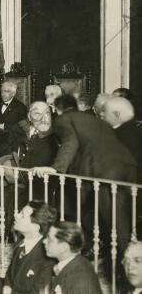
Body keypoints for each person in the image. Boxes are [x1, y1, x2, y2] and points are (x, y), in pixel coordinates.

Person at [34, 94, 137, 263]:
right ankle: (118, 259)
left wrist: (54, 168)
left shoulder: (63, 119)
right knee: (124, 217)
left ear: (58, 109)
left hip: (104, 171)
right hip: (128, 166)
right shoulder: (94, 119)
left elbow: (70, 143)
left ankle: (126, 267)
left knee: (115, 222)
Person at [0, 101, 58, 238]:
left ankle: (17, 232)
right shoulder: (20, 129)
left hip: (42, 178)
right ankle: (2, 229)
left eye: (47, 113)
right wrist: (7, 161)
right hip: (20, 170)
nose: (43, 117)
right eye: (37, 113)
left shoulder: (56, 135)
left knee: (18, 190)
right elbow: (7, 147)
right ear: (29, 116)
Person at [3, 201, 57, 294]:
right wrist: (7, 286)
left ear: (35, 227)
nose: (16, 215)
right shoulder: (20, 244)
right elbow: (10, 272)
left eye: (22, 215)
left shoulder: (47, 259)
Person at [43, 221, 101, 294]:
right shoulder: (75, 262)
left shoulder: (79, 279)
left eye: (50, 239)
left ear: (63, 247)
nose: (44, 241)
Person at [104, 96, 142, 182]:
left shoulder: (121, 137)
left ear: (117, 114)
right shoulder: (135, 130)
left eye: (105, 111)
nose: (102, 115)